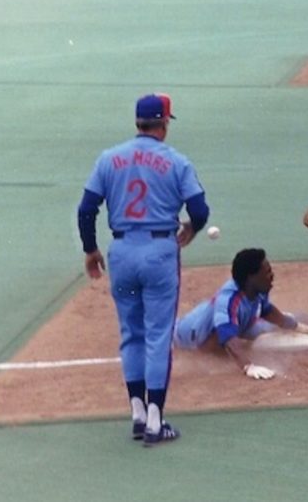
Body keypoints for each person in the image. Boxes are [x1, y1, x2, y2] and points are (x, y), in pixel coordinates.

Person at [77, 93, 210, 446]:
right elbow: (199, 209)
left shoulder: (109, 158)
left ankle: (137, 412)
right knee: (157, 336)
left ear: (138, 122)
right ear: (164, 123)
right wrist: (191, 229)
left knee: (131, 333)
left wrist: (91, 249)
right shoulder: (177, 161)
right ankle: (155, 421)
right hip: (159, 253)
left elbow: (86, 209)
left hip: (121, 252)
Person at [174, 248, 308, 380]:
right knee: (225, 342)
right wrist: (248, 366)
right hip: (190, 337)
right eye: (267, 272)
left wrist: (294, 325)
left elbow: (266, 310)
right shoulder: (228, 301)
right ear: (251, 277)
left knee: (282, 324)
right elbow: (226, 337)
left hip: (241, 323)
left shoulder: (257, 289)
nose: (272, 276)